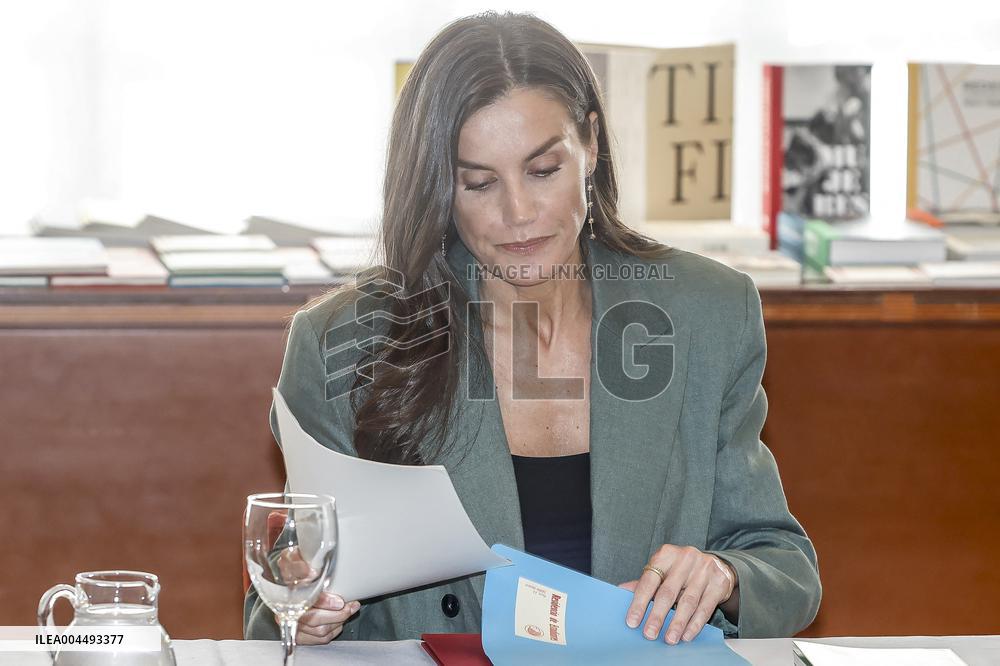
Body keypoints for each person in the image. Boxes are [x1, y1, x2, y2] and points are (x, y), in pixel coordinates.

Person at [244, 10, 821, 646]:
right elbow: (273, 603)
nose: (517, 214)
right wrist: (303, 609)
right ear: (440, 187)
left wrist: (724, 576)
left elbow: (783, 565)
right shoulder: (346, 342)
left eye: (543, 171)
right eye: (479, 183)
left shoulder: (705, 312)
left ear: (591, 146)